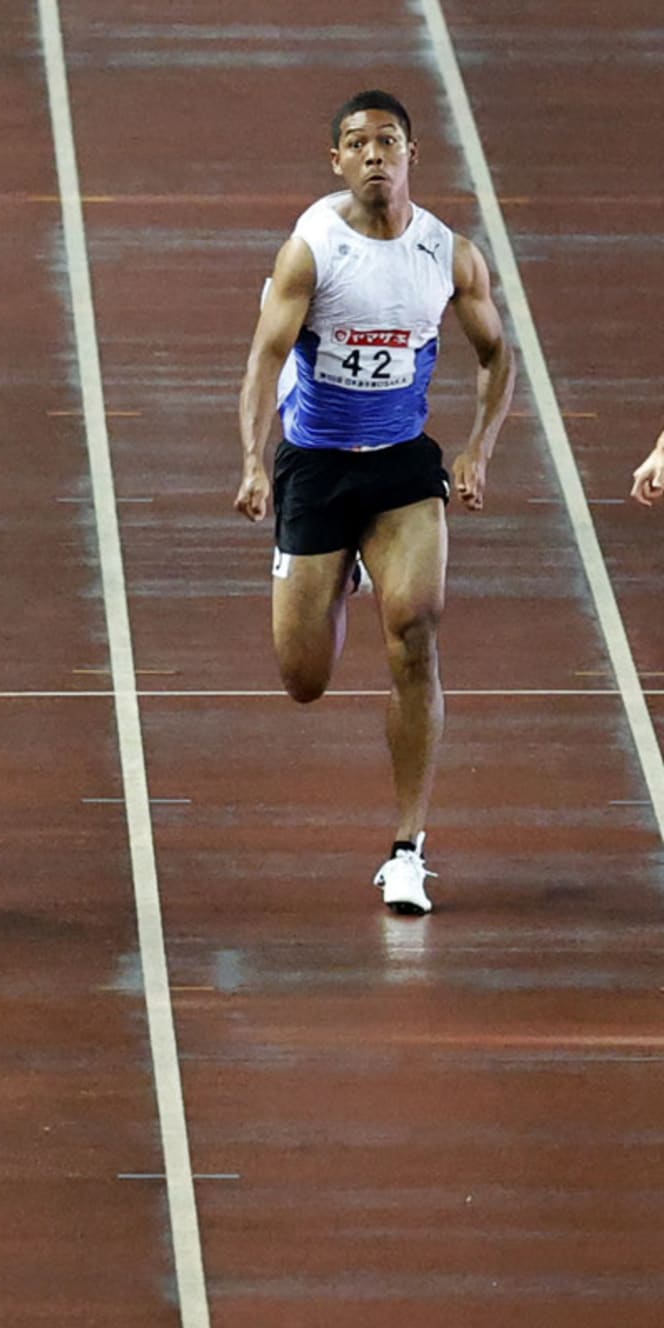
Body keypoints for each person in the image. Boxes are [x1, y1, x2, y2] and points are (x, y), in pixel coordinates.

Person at [234, 89, 512, 915]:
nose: (375, 155)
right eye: (357, 143)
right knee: (303, 679)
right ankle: (338, 574)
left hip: (400, 467)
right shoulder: (311, 252)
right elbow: (263, 359)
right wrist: (254, 462)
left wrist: (476, 449)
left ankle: (406, 849)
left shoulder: (449, 256)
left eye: (389, 141)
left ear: (412, 155)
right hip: (315, 467)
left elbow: (498, 357)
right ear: (337, 161)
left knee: (416, 632)